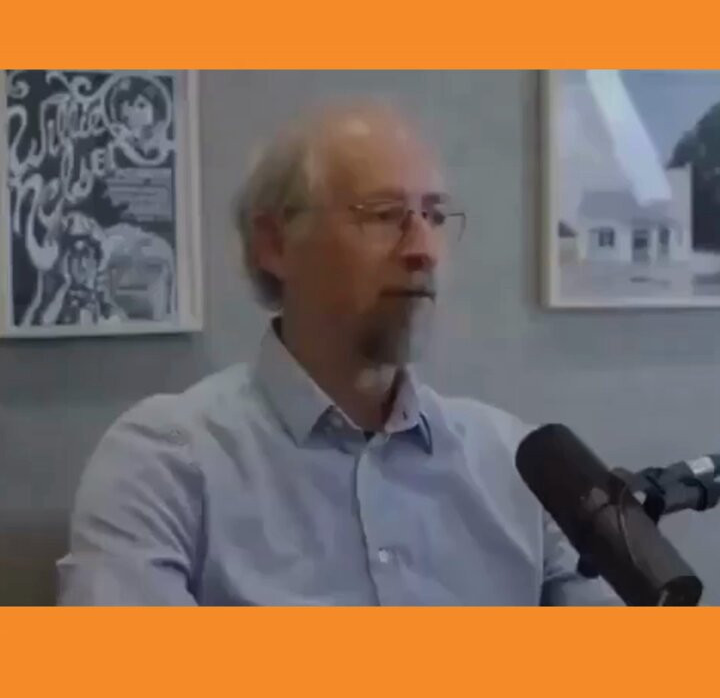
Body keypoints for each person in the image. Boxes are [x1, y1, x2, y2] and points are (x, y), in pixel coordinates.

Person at [57, 101, 621, 605]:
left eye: (434, 216)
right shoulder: (167, 463)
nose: (424, 250)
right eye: (383, 215)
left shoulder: (521, 465)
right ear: (275, 244)